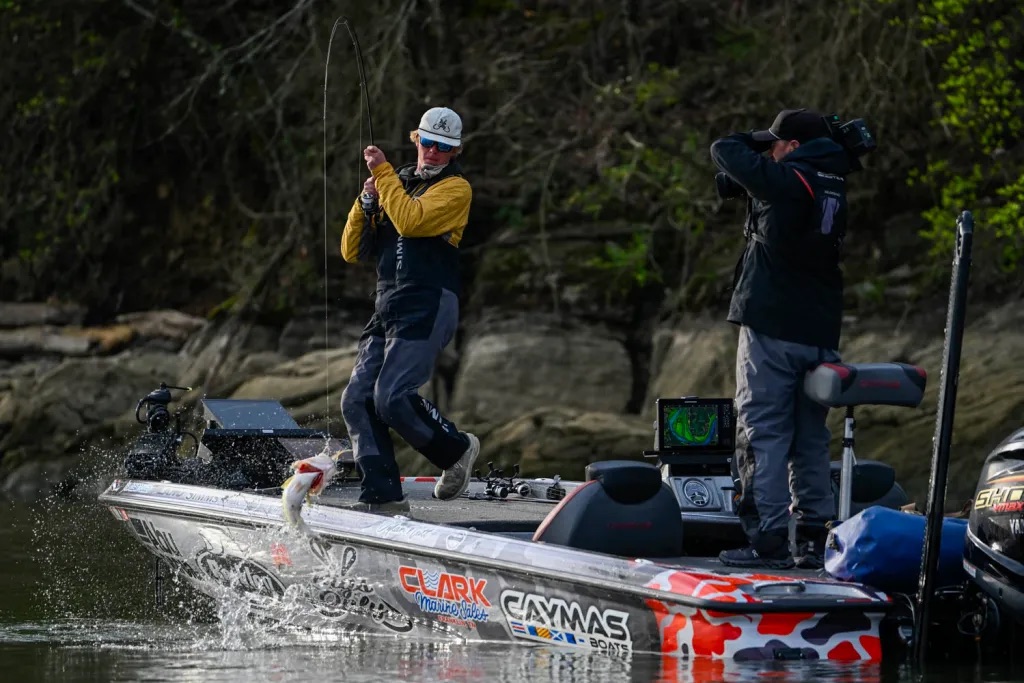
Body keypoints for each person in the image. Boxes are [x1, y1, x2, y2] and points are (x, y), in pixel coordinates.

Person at [709, 108, 853, 569]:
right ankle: (814, 541)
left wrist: (756, 138)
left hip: (773, 328)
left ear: (791, 146)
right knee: (810, 437)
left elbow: (723, 149)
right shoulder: (835, 182)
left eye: (776, 143)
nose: (769, 150)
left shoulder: (789, 181)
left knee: (761, 434)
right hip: (820, 331)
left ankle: (767, 541)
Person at [335, 105, 480, 513]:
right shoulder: (393, 183)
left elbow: (412, 222)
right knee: (356, 400)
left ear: (455, 153)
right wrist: (365, 202)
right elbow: (351, 250)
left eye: (444, 148)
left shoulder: (456, 190)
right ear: (416, 140)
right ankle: (382, 498)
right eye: (428, 143)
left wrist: (382, 176)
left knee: (392, 396)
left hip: (429, 300)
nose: (433, 153)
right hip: (388, 302)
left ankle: (457, 450)